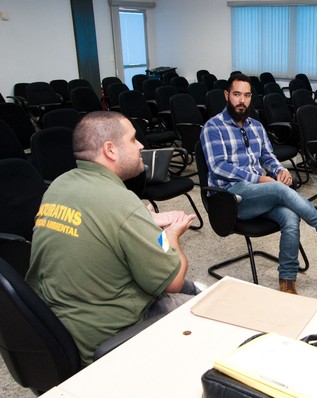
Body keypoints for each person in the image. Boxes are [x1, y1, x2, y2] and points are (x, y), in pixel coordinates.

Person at [26, 111, 200, 366]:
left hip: (61, 325)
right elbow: (172, 282)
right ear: (110, 150)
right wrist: (172, 235)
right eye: (132, 140)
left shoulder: (59, 185)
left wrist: (141, 220)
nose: (141, 145)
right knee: (203, 307)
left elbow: (95, 223)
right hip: (108, 336)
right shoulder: (121, 202)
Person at [200, 73, 317, 295]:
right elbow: (218, 166)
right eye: (237, 94)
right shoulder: (213, 127)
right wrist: (258, 179)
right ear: (227, 95)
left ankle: (287, 280)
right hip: (229, 197)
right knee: (276, 188)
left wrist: (280, 170)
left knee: (290, 215)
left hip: (256, 195)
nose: (242, 100)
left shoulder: (255, 126)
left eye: (247, 95)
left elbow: (268, 157)